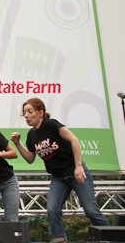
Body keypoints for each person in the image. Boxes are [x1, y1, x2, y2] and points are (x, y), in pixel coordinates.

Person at [11, 98, 110, 243]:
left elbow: (74, 140)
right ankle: (59, 240)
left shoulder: (51, 125)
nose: (26, 115)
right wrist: (18, 144)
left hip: (74, 171)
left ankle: (112, 238)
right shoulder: (31, 135)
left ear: (40, 112)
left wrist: (78, 166)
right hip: (58, 177)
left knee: (91, 210)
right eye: (24, 113)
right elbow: (30, 159)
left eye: (30, 112)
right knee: (52, 210)